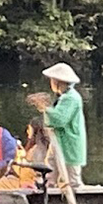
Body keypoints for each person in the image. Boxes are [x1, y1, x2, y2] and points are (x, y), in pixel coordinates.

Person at [33, 62, 87, 190]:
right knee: (51, 167)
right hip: (58, 140)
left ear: (59, 81)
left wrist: (45, 108)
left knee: (71, 177)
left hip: (69, 141)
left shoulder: (71, 98)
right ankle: (49, 188)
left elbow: (59, 119)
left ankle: (76, 197)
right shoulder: (64, 97)